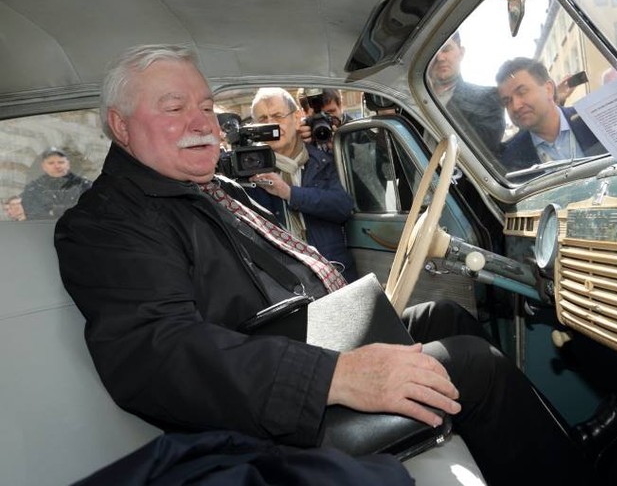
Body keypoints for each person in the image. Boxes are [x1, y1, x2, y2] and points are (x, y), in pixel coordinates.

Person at [54, 44, 589, 486]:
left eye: (207, 105)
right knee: (474, 364)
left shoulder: (208, 188)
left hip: (296, 345)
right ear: (120, 127)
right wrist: (335, 375)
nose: (204, 123)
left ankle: (543, 445)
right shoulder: (107, 222)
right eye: (175, 109)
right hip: (265, 416)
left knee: (446, 317)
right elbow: (158, 355)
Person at [246, 87, 358, 282]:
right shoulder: (248, 172)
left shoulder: (324, 159)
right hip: (283, 282)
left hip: (332, 272)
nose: (271, 125)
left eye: (278, 116)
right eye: (263, 120)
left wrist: (289, 193)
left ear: (297, 118)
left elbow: (343, 207)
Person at [496, 57, 605, 171]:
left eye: (522, 92)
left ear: (548, 89)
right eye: (507, 101)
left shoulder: (594, 119)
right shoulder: (510, 159)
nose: (516, 106)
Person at [428, 32, 506, 154]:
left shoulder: (488, 98)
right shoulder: (405, 102)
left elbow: (482, 149)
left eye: (446, 49)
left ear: (461, 52)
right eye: (432, 52)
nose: (440, 57)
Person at [20, 147, 92, 220]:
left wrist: (54, 210)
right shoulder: (33, 188)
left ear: (68, 164)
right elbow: (33, 214)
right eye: (51, 163)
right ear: (43, 166)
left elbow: (89, 210)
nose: (57, 166)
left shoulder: (84, 186)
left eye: (61, 162)